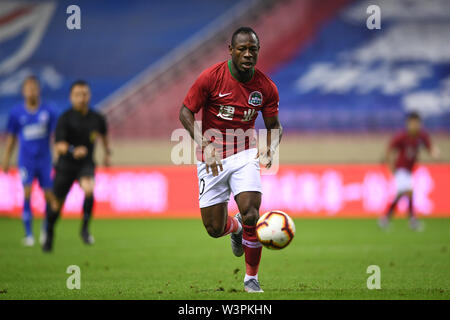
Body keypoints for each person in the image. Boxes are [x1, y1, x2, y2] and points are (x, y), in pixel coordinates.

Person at [179, 27, 282, 292]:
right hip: (211, 158)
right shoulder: (211, 78)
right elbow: (185, 112)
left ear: (258, 51)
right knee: (214, 228)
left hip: (245, 154)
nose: (248, 54)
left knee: (251, 212)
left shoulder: (266, 87)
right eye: (242, 49)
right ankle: (235, 229)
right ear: (231, 50)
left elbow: (275, 126)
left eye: (253, 49)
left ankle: (251, 278)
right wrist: (203, 144)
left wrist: (270, 147)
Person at [43, 80, 111, 252]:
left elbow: (103, 135)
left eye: (85, 94)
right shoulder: (65, 118)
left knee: (89, 189)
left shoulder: (97, 118)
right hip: (65, 165)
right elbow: (59, 144)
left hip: (86, 164)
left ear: (89, 95)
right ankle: (49, 233)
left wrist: (107, 154)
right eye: (78, 95)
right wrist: (73, 149)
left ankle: (84, 229)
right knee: (56, 205)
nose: (82, 98)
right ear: (71, 97)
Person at [2, 76, 57, 246]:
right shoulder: (16, 113)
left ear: (39, 90)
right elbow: (11, 137)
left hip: (44, 159)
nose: (31, 91)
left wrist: (56, 156)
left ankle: (45, 230)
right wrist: (6, 158)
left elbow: (55, 136)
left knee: (48, 195)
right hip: (26, 160)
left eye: (34, 88)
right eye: (28, 89)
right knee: (26, 192)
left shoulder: (49, 111)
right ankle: (28, 235)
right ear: (23, 91)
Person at [379, 112, 439, 231]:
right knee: (409, 192)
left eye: (416, 123)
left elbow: (429, 148)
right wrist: (390, 166)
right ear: (408, 124)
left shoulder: (422, 137)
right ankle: (412, 221)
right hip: (400, 169)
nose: (414, 125)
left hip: (410, 170)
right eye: (412, 123)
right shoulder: (402, 136)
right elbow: (390, 150)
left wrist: (434, 153)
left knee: (401, 194)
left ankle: (385, 218)